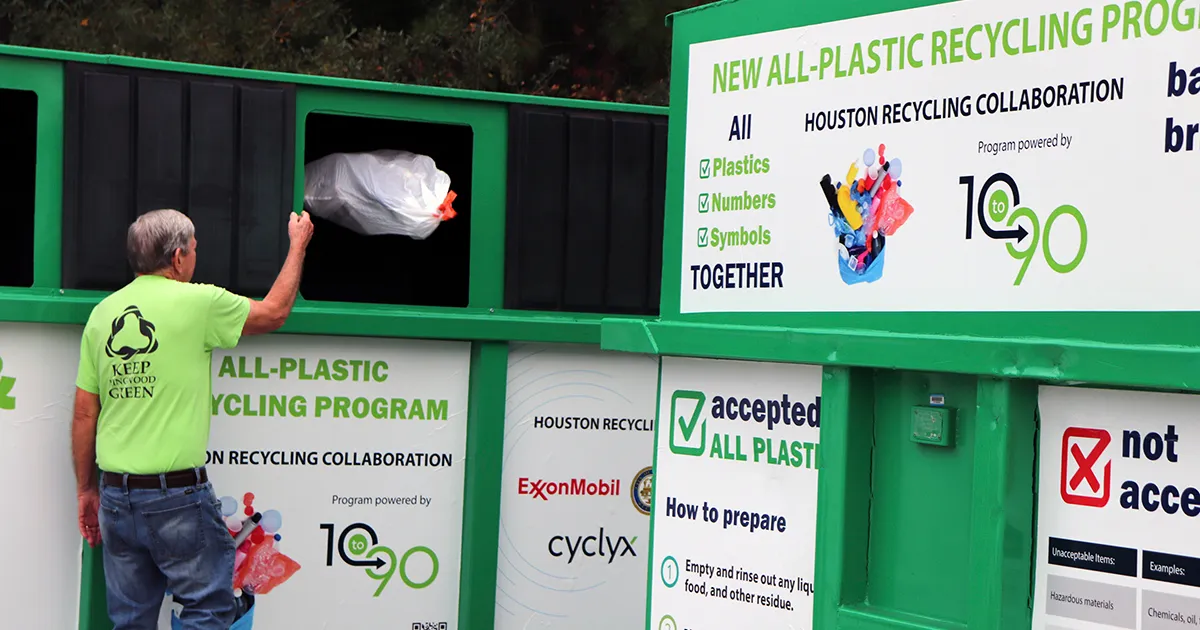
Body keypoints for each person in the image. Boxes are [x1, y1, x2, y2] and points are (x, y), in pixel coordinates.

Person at [71, 208, 314, 629]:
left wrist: (85, 489)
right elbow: (274, 312)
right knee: (207, 610)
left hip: (114, 496)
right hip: (176, 498)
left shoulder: (102, 315)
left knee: (130, 620)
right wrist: (298, 245)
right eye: (196, 249)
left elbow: (83, 413)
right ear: (178, 257)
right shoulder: (199, 302)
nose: (196, 258)